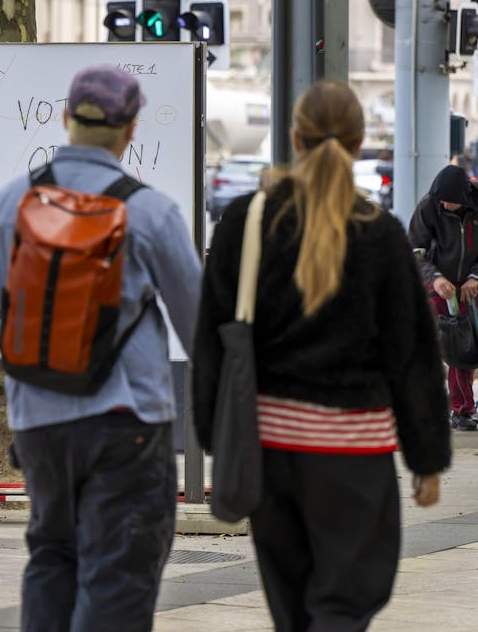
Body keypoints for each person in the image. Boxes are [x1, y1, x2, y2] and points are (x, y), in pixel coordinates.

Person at [193, 79, 451, 631]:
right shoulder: (379, 234)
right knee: (343, 606)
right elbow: (413, 354)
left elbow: (213, 338)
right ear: (359, 144)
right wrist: (426, 458)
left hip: (271, 454)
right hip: (356, 458)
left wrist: (218, 440)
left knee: (294, 612)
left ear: (294, 138)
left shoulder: (247, 220)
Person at [0, 66, 201, 632]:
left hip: (38, 422)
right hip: (128, 424)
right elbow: (199, 326)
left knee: (52, 556)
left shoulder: (11, 203)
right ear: (131, 129)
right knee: (117, 572)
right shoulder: (150, 212)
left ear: (67, 119)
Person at [408, 164, 478, 430]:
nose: (445, 205)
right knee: (435, 346)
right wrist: (435, 278)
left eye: (450, 202)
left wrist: (474, 278)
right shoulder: (429, 206)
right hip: (438, 284)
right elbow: (415, 251)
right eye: (442, 201)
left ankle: (462, 410)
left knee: (463, 349)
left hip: (470, 286)